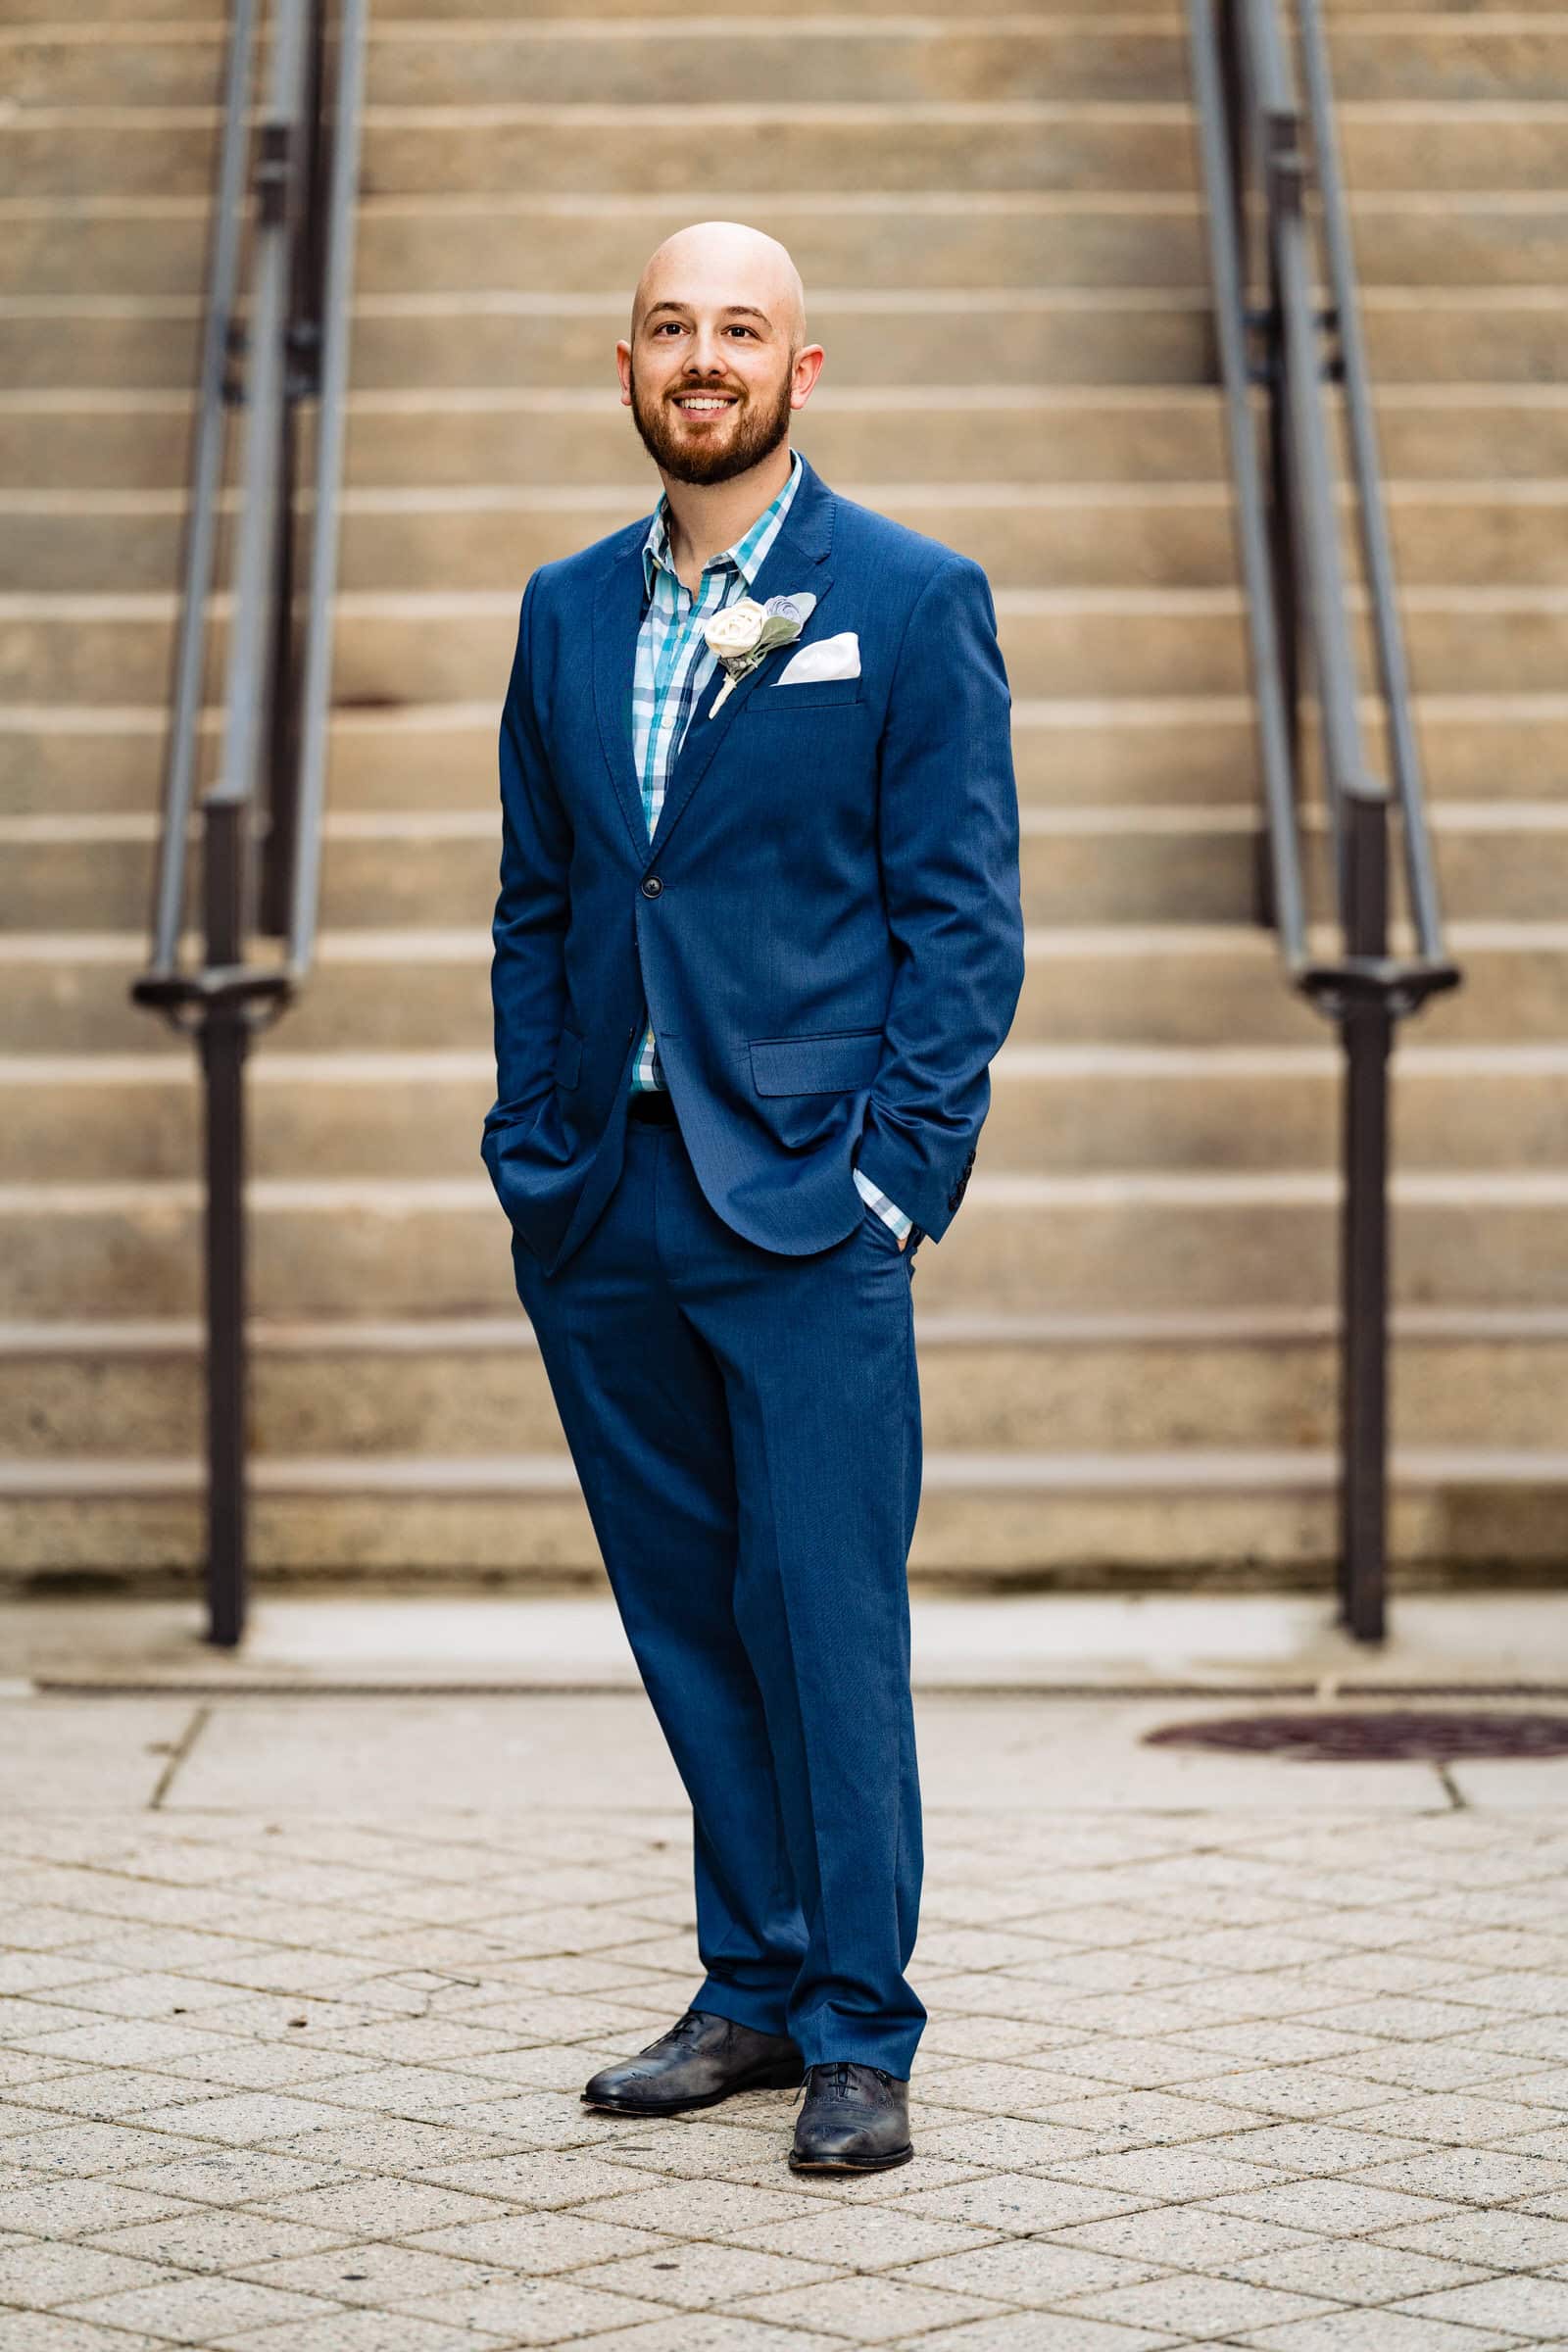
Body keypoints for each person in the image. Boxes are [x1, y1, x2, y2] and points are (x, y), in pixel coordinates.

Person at [480, 219, 1024, 2173]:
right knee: (686, 1617)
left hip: (806, 1202)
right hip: (604, 1203)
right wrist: (529, 1144)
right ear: (620, 366)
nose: (697, 355)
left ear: (802, 369)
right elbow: (544, 900)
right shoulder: (558, 611)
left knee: (817, 1615)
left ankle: (860, 2025)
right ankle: (749, 1985)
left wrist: (896, 1177)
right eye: (665, 327)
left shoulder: (904, 592)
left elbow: (960, 922)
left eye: (738, 328)